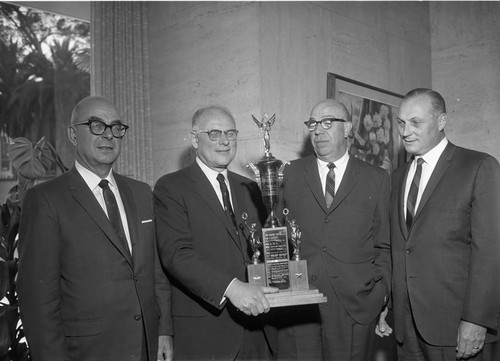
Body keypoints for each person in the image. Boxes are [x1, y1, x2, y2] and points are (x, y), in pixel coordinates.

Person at [17, 96, 173, 361]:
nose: (109, 135)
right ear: (73, 135)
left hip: (147, 347)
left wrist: (164, 331)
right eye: (96, 125)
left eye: (116, 127)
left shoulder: (141, 193)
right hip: (88, 352)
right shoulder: (45, 199)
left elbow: (155, 272)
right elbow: (37, 300)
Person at [376, 88, 500, 360]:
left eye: (416, 122)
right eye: (401, 122)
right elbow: (398, 249)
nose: (405, 131)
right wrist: (386, 303)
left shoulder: (478, 166)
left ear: (442, 122)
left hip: (457, 327)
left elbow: (490, 251)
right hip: (406, 329)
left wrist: (476, 320)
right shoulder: (396, 177)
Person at [153, 105, 278, 360]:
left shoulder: (251, 187)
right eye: (214, 133)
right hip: (206, 333)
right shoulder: (171, 187)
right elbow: (176, 254)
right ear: (194, 139)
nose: (224, 141)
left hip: (257, 331)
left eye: (230, 133)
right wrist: (231, 288)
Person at [278, 99, 391, 360]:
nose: (318, 131)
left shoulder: (376, 178)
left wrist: (380, 294)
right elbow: (276, 237)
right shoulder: (288, 174)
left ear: (348, 129)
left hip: (354, 307)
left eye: (328, 123)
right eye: (313, 123)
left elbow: (383, 245)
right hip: (300, 305)